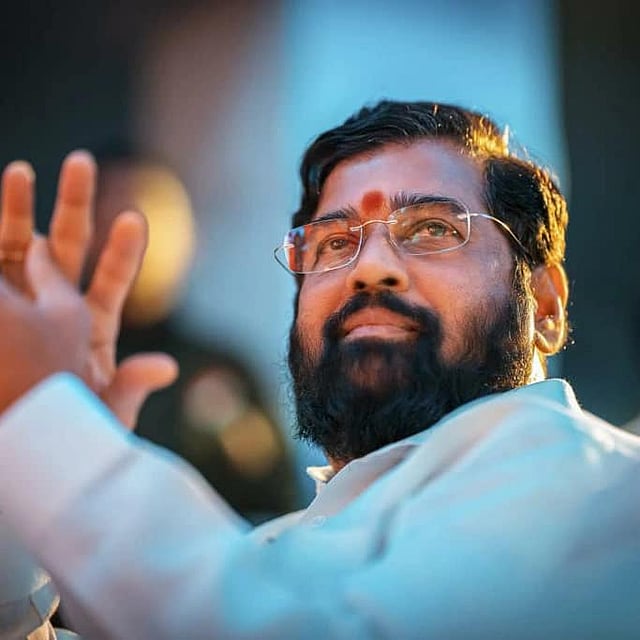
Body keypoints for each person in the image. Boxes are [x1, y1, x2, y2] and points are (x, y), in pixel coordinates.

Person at [0, 101, 638, 638]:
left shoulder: (608, 489)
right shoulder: (281, 552)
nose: (369, 268)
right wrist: (24, 475)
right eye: (335, 242)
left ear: (546, 307)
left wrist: (50, 423)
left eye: (433, 229)